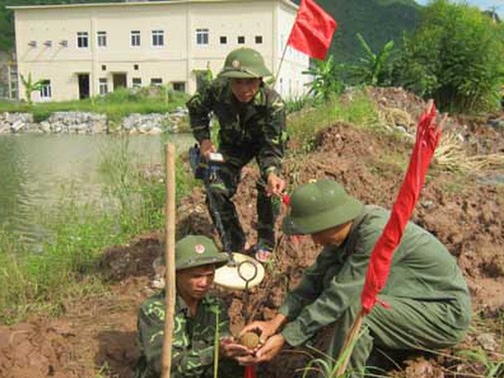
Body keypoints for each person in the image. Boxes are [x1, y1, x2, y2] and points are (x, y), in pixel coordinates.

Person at [239, 179, 472, 376]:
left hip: (444, 315)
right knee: (330, 277)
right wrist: (275, 322)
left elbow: (339, 297)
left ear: (331, 221)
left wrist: (286, 338)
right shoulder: (344, 232)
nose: (315, 242)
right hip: (410, 304)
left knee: (357, 308)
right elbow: (313, 280)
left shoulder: (374, 233)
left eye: (316, 233)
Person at [187, 47, 287, 263]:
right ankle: (235, 243)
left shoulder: (273, 104)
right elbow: (196, 109)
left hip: (262, 146)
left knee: (268, 189)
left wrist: (271, 173)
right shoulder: (216, 90)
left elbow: (272, 146)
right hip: (231, 146)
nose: (243, 89)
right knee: (215, 189)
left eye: (249, 82)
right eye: (237, 82)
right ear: (229, 81)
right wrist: (204, 139)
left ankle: (266, 242)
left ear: (260, 80)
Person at [135, 235, 249, 377]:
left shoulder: (216, 306)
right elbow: (162, 367)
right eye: (196, 276)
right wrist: (214, 353)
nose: (204, 283)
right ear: (176, 274)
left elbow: (223, 342)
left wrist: (236, 348)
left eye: (209, 275)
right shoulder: (154, 310)